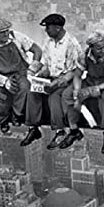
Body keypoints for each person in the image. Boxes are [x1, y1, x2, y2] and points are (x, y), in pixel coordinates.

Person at [20, 13, 82, 149]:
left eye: (48, 27)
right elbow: (47, 66)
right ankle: (33, 127)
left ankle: (59, 130)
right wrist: (39, 75)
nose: (46, 30)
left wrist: (60, 81)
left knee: (54, 96)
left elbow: (76, 69)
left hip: (67, 79)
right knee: (33, 92)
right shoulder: (48, 43)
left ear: (58, 28)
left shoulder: (71, 43)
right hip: (51, 78)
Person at [60, 29, 104, 153]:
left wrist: (95, 89)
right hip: (90, 81)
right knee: (68, 94)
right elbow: (77, 75)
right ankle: (74, 129)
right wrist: (77, 91)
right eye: (99, 48)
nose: (102, 50)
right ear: (92, 47)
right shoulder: (84, 55)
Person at [0, 17, 42, 133]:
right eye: (2, 32)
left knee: (25, 89)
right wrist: (4, 82)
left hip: (20, 72)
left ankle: (17, 115)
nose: (5, 34)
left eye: (7, 31)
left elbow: (37, 51)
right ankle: (2, 120)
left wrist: (32, 70)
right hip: (1, 76)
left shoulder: (17, 37)